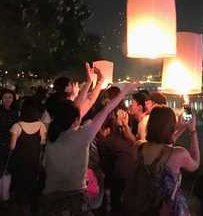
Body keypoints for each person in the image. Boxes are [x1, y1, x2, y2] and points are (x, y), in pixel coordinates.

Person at [42, 70, 137, 216]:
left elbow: (75, 107)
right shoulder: (82, 135)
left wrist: (90, 82)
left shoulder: (51, 134)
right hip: (73, 199)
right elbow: (106, 109)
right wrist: (125, 91)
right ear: (75, 120)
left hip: (49, 199)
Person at [122, 106, 200, 216]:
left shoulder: (137, 147)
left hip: (142, 207)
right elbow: (195, 164)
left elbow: (162, 147)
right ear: (171, 127)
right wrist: (192, 131)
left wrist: (181, 128)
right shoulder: (178, 153)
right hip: (167, 209)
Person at [96, 95, 136, 215]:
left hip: (120, 176)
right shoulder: (123, 138)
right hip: (126, 176)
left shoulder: (115, 138)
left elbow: (104, 150)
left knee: (117, 204)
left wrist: (101, 135)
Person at [9, 97, 47, 216]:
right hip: (33, 162)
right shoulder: (41, 126)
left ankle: (18, 207)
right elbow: (42, 143)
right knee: (30, 186)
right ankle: (28, 209)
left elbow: (12, 147)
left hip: (19, 162)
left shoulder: (17, 126)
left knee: (18, 186)